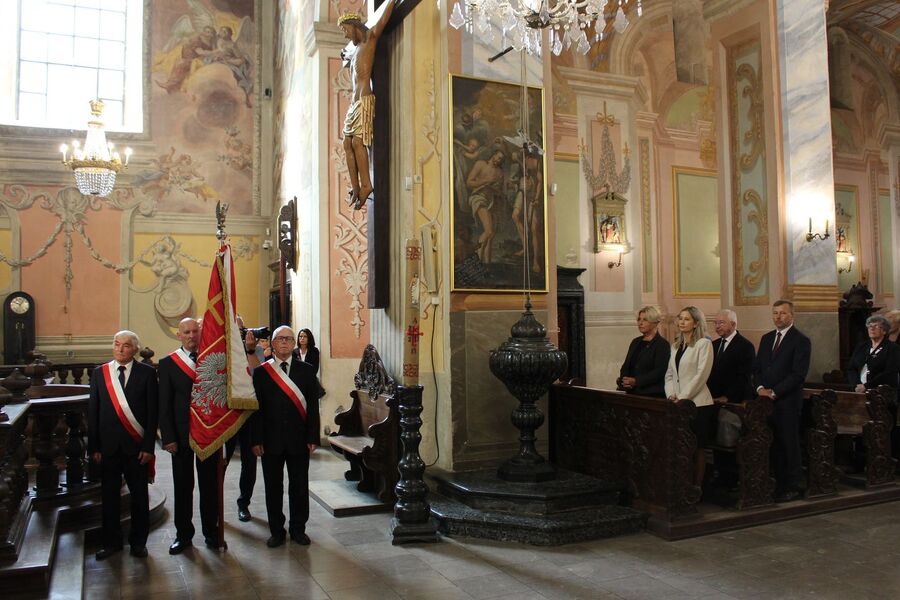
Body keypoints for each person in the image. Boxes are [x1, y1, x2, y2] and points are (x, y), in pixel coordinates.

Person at [87, 331, 158, 560]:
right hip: (107, 448)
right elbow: (93, 412)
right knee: (109, 498)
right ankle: (111, 542)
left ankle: (138, 543)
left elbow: (151, 413)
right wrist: (94, 447)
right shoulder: (100, 373)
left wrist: (149, 447)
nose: (120, 349)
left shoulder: (146, 373)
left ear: (135, 349)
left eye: (126, 346)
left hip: (136, 448)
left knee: (139, 497)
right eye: (116, 344)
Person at [250, 326, 320, 547]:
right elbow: (256, 409)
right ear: (272, 343)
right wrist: (256, 440)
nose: (284, 343)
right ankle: (277, 531)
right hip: (270, 441)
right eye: (279, 339)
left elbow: (313, 408)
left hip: (299, 439)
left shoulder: (307, 371)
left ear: (294, 344)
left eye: (289, 339)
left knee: (299, 486)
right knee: (273, 487)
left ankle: (298, 529)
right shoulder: (261, 372)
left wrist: (313, 437)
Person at [158, 318, 219, 554]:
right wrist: (168, 438)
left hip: (208, 433)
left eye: (195, 331)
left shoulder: (212, 360)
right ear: (178, 335)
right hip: (181, 436)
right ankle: (183, 535)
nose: (192, 336)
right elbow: (164, 405)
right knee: (183, 487)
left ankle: (211, 533)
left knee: (209, 487)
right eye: (187, 332)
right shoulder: (168, 363)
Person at [339, 0, 397, 210]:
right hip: (354, 103)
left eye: (346, 30)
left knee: (358, 143)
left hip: (364, 98)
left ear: (355, 26)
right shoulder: (354, 51)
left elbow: (383, 17)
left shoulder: (371, 37)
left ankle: (367, 185)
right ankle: (356, 186)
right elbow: (346, 55)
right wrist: (345, 55)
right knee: (347, 143)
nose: (346, 35)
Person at [753, 300, 811, 502]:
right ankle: (778, 483)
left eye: (783, 313)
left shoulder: (800, 340)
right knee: (774, 444)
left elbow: (797, 375)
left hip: (787, 401)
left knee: (789, 443)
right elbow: (758, 368)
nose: (778, 317)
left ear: (792, 315)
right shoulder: (767, 338)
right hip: (766, 402)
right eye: (775, 313)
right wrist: (760, 388)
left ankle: (794, 484)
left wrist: (775, 392)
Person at [665, 307, 715, 488]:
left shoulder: (704, 344)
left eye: (686, 319)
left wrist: (683, 397)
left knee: (697, 447)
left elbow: (701, 375)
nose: (682, 322)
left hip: (698, 404)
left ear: (696, 323)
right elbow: (670, 374)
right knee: (682, 447)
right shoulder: (676, 345)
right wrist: (671, 394)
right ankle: (683, 485)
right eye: (680, 318)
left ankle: (697, 487)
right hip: (678, 403)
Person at [224, 316, 262, 522]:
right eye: (234, 330)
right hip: (227, 416)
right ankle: (216, 505)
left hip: (249, 416)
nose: (239, 334)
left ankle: (243, 504)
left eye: (242, 329)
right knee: (221, 462)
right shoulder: (220, 351)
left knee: (249, 463)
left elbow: (258, 374)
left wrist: (249, 350)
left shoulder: (254, 350)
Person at [617, 305, 670, 397]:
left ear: (655, 322)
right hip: (630, 392)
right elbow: (626, 365)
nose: (640, 323)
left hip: (651, 394)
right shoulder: (635, 342)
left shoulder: (662, 344)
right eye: (639, 319)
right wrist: (624, 381)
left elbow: (659, 372)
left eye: (645, 320)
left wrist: (636, 381)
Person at [707, 309, 756, 404]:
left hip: (734, 400)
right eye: (715, 323)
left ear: (733, 324)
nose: (717, 326)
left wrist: (727, 396)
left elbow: (745, 377)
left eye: (721, 323)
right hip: (712, 398)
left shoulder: (746, 346)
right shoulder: (713, 345)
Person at [466, 150, 506, 264]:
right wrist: (485, 181)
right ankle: (476, 259)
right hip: (478, 197)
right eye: (497, 157)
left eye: (501, 160)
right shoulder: (481, 164)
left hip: (491, 201)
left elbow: (499, 191)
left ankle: (487, 265)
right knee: (488, 231)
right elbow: (469, 182)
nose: (498, 160)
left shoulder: (500, 173)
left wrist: (497, 190)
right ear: (493, 154)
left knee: (491, 234)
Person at [847, 315, 900, 392]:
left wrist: (866, 386)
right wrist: (856, 385)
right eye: (870, 326)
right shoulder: (861, 346)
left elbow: (890, 373)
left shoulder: (893, 348)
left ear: (884, 331)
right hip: (859, 390)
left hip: (881, 391)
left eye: (876, 326)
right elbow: (851, 368)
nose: (872, 328)